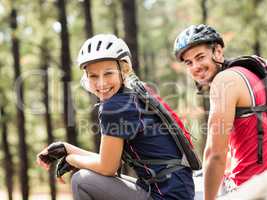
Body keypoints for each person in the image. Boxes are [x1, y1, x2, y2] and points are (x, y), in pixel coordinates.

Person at [36, 34, 195, 200]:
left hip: (165, 195)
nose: (101, 83)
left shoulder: (115, 106)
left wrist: (72, 159)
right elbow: (110, 161)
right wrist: (66, 149)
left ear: (124, 70)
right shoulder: (134, 95)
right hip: (174, 190)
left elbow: (108, 167)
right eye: (93, 76)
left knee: (81, 180)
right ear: (86, 79)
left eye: (108, 73)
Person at [173, 24, 267, 200]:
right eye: (189, 62)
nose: (195, 67)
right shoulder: (250, 73)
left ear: (217, 51)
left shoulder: (224, 81)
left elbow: (215, 154)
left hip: (258, 189)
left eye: (200, 57)